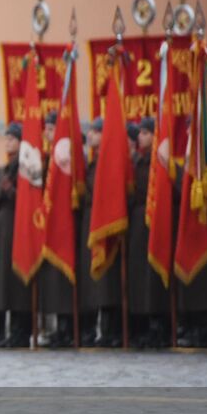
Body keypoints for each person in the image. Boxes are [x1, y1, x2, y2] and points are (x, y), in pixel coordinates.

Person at [0, 122, 30, 348]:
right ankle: (11, 331)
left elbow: (29, 198)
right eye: (7, 138)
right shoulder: (5, 169)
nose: (8, 142)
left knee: (17, 282)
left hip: (17, 226)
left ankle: (22, 331)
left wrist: (9, 191)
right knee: (4, 281)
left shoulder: (27, 166)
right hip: (1, 228)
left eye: (12, 138)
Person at [79, 118, 123, 346]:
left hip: (106, 223)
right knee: (93, 281)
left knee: (108, 281)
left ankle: (111, 330)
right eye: (90, 131)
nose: (90, 135)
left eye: (96, 132)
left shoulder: (109, 161)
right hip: (91, 220)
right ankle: (95, 329)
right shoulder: (92, 162)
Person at [128, 116, 168, 347]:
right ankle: (141, 325)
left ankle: (158, 325)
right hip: (137, 223)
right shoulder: (137, 161)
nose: (140, 137)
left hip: (154, 221)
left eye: (145, 133)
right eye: (140, 133)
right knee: (138, 275)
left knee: (153, 275)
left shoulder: (159, 161)